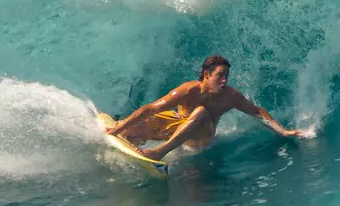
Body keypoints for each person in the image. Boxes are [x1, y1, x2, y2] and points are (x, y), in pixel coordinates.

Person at [105, 55, 306, 160]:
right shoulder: (187, 90)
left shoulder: (230, 96)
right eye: (220, 74)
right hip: (179, 125)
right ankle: (128, 135)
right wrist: (118, 129)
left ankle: (160, 152)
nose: (225, 79)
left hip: (200, 137)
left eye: (227, 75)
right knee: (136, 126)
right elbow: (151, 108)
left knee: (200, 112)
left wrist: (283, 131)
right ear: (207, 74)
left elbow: (256, 111)